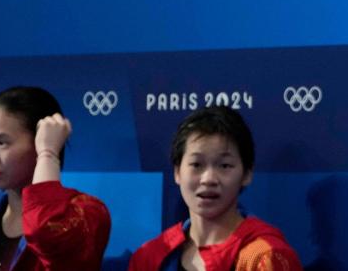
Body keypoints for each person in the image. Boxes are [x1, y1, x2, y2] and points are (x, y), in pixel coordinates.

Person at [128, 106, 302, 271]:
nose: (209, 179)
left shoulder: (265, 257)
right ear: (177, 172)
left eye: (225, 165)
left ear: (247, 174)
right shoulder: (149, 257)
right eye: (196, 164)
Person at [0, 86, 111, 271]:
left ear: (40, 141)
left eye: (2, 143)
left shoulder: (87, 213)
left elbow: (43, 229)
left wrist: (48, 154)